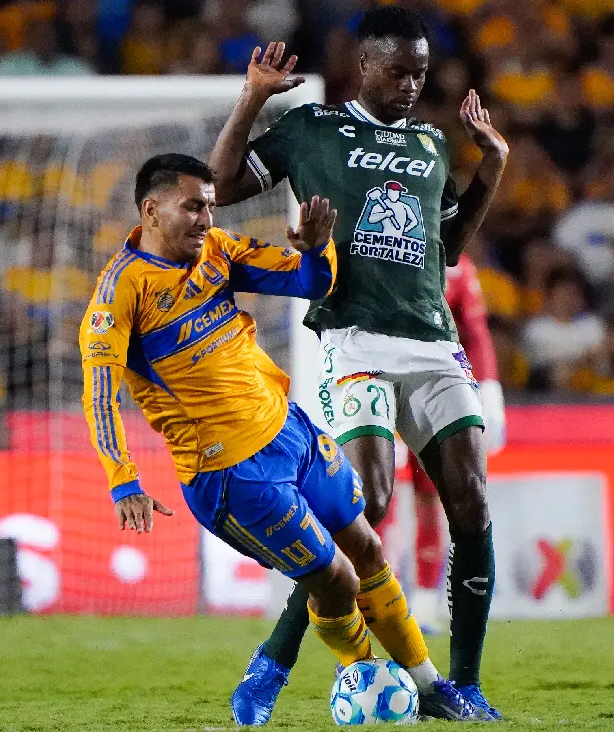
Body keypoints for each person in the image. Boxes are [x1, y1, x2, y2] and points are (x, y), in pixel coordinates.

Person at [80, 154, 470, 723]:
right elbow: (99, 395)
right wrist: (124, 481)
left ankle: (429, 685)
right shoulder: (120, 292)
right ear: (151, 210)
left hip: (289, 431)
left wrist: (315, 248)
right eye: (193, 207)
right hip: (232, 473)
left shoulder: (218, 250)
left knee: (367, 548)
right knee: (335, 578)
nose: (206, 219)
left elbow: (310, 282)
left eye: (210, 206)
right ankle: (362, 677)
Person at [208, 6, 507, 722]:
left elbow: (449, 248)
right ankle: (274, 659)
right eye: (399, 71)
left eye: (421, 74)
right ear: (364, 65)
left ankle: (464, 686)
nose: (411, 85)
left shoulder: (432, 144)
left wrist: (491, 167)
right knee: (363, 507)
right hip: (352, 341)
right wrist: (251, 99)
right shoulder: (310, 129)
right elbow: (218, 185)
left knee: (471, 501)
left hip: (431, 342)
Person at [390, 252, 505, 634]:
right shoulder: (381, 246)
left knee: (430, 497)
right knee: (380, 496)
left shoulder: (456, 265)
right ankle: (379, 596)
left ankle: (425, 604)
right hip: (381, 383)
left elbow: (475, 331)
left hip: (434, 391)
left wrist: (489, 389)